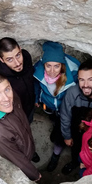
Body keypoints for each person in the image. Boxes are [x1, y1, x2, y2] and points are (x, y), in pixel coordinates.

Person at [0, 71, 41, 181]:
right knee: (26, 157)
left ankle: (32, 153)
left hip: (25, 137)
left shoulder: (9, 95)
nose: (6, 98)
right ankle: (30, 155)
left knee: (30, 148)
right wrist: (34, 174)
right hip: (22, 152)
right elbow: (16, 159)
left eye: (7, 89)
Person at [33, 41, 80, 172]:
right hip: (49, 105)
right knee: (53, 117)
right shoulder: (38, 71)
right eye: (48, 66)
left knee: (61, 130)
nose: (52, 71)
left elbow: (79, 91)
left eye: (56, 66)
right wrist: (37, 98)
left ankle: (55, 156)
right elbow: (36, 84)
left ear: (62, 66)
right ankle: (55, 122)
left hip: (66, 109)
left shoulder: (73, 74)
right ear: (44, 64)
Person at [0, 37, 36, 123]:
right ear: (1, 59)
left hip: (31, 105)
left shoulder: (26, 57)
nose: (17, 63)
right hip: (17, 114)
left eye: (18, 55)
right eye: (10, 59)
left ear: (20, 49)